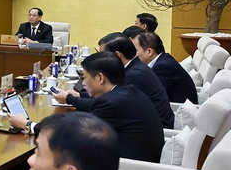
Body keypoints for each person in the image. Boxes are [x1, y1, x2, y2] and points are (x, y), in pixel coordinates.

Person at [34, 52, 164, 162]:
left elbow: (75, 135)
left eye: (84, 78)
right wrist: (74, 98)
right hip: (142, 158)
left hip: (128, 169)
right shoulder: (128, 91)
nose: (83, 83)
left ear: (100, 78)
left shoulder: (110, 103)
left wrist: (30, 125)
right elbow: (95, 105)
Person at [65, 34, 174, 130]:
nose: (99, 58)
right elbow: (106, 99)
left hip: (157, 129)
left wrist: (70, 99)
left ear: (117, 56)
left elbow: (105, 104)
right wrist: (79, 94)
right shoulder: (134, 67)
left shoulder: (132, 75)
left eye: (102, 55)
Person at [133, 31, 198, 104]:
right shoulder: (163, 59)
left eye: (136, 51)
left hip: (177, 110)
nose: (133, 55)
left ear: (149, 52)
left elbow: (150, 94)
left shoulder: (163, 66)